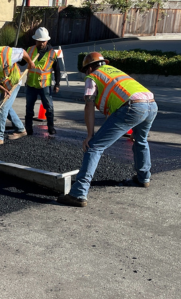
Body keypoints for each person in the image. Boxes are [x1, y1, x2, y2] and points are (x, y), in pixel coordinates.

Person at [57, 52, 158, 207]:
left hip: (133, 107)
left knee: (94, 146)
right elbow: (114, 106)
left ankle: (78, 193)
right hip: (151, 105)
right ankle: (143, 177)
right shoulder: (115, 72)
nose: (86, 74)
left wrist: (90, 135)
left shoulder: (93, 77)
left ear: (89, 68)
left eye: (85, 71)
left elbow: (89, 105)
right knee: (140, 139)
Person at [0, 42, 36, 145]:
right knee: (6, 109)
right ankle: (21, 130)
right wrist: (2, 88)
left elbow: (23, 52)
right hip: (2, 85)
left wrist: (30, 62)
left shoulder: (6, 53)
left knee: (3, 107)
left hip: (14, 82)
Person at [18, 27, 62, 135]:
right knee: (29, 108)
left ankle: (50, 127)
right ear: (35, 40)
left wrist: (57, 83)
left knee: (49, 107)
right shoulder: (30, 50)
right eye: (39, 41)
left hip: (44, 85)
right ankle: (28, 129)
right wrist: (16, 55)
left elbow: (57, 69)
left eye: (43, 41)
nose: (41, 43)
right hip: (31, 85)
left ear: (47, 41)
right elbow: (22, 63)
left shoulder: (52, 53)